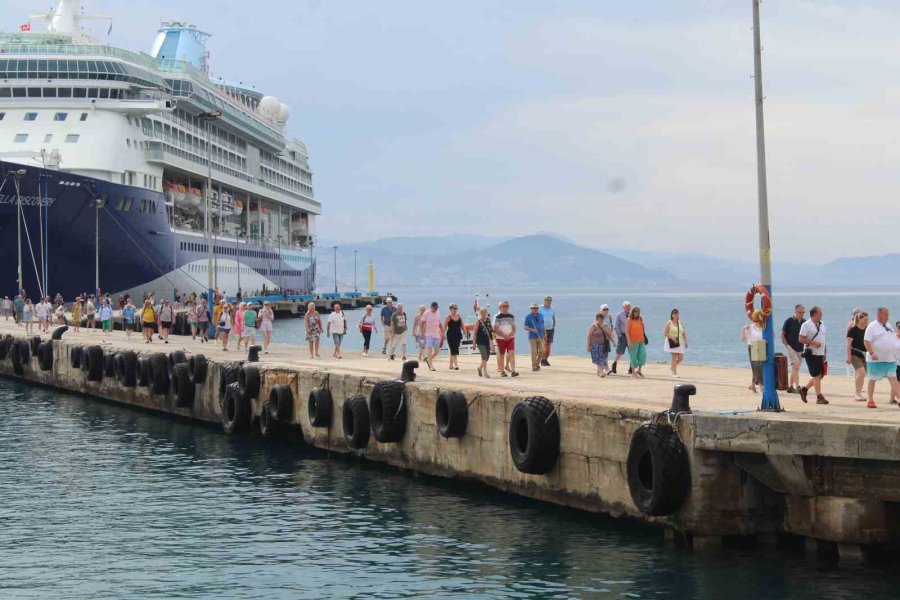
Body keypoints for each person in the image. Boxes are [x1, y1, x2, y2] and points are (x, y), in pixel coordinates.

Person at [863, 307, 899, 409]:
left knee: (894, 379)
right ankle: (870, 399)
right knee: (872, 379)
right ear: (879, 315)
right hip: (875, 360)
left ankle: (899, 399)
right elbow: (866, 341)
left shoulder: (888, 325)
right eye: (886, 315)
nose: (888, 317)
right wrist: (871, 352)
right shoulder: (872, 326)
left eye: (888, 315)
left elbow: (892, 338)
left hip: (890, 359)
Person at [798, 306, 828, 404]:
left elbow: (823, 338)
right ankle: (819, 397)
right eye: (820, 313)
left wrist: (824, 352)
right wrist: (814, 343)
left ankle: (804, 390)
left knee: (820, 375)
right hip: (811, 353)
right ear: (814, 314)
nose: (821, 315)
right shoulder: (806, 325)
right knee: (816, 375)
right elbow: (801, 339)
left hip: (820, 353)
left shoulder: (822, 324)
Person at [780, 305, 806, 394]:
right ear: (795, 312)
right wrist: (786, 344)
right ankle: (798, 386)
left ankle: (790, 387)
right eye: (800, 312)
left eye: (803, 312)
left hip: (801, 347)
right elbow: (782, 334)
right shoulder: (789, 321)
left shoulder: (804, 322)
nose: (801, 314)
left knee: (795, 368)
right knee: (796, 365)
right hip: (790, 346)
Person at [845, 311, 869, 401]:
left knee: (863, 375)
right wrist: (848, 356)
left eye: (867, 319)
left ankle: (859, 393)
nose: (867, 321)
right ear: (860, 319)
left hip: (866, 354)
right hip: (855, 353)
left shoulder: (867, 329)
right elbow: (848, 344)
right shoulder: (853, 330)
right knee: (861, 372)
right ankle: (857, 393)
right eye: (865, 319)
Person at [741, 310, 766, 393]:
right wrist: (743, 330)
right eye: (760, 315)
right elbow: (743, 338)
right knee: (758, 367)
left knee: (757, 368)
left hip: (762, 346)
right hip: (753, 347)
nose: (761, 317)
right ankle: (762, 386)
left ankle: (752, 386)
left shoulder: (764, 327)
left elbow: (771, 336)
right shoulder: (750, 327)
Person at [493, 301, 518, 377]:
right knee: (501, 355)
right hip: (500, 338)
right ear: (500, 307)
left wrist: (511, 335)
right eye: (503, 306)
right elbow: (495, 329)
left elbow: (514, 328)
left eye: (507, 306)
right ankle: (502, 371)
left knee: (512, 353)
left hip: (510, 338)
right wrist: (504, 336)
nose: (505, 307)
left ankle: (513, 371)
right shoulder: (497, 317)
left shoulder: (511, 316)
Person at [586, 311, 614, 377]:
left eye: (602, 319)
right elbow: (589, 336)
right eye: (599, 319)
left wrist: (613, 341)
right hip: (595, 345)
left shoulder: (605, 325)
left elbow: (609, 334)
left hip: (603, 345)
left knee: (603, 358)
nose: (601, 320)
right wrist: (588, 346)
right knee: (598, 359)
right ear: (596, 319)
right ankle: (601, 372)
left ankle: (599, 372)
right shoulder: (593, 326)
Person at [663, 309, 688, 378]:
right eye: (674, 313)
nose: (676, 315)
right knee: (674, 357)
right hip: (671, 342)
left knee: (681, 358)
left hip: (680, 342)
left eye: (677, 313)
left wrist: (686, 341)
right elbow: (664, 333)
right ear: (672, 315)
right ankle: (674, 372)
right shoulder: (669, 322)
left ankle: (672, 367)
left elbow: (684, 333)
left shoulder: (680, 322)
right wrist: (671, 337)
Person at [421, 302, 444, 371]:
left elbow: (440, 324)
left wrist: (443, 332)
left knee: (437, 351)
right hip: (428, 334)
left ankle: (429, 359)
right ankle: (431, 366)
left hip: (436, 334)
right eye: (435, 308)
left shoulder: (438, 313)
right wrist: (422, 332)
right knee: (429, 349)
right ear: (431, 307)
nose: (436, 309)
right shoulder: (426, 313)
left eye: (437, 308)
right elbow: (422, 323)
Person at [611, 301, 632, 375]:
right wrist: (619, 335)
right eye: (627, 307)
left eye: (629, 307)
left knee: (632, 352)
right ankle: (614, 364)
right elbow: (616, 326)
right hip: (622, 336)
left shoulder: (632, 315)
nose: (628, 308)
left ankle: (631, 368)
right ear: (623, 307)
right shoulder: (619, 315)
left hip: (630, 336)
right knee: (619, 352)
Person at [524, 302, 546, 372]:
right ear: (531, 309)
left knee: (542, 350)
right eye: (533, 308)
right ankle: (534, 366)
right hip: (532, 337)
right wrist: (532, 330)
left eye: (536, 308)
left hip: (540, 336)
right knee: (534, 351)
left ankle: (536, 363)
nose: (535, 309)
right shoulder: (528, 316)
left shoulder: (541, 315)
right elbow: (525, 327)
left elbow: (542, 325)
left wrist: (545, 334)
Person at [626, 306, 647, 379]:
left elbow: (643, 328)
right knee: (633, 357)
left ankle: (639, 370)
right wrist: (629, 341)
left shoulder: (640, 318)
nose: (636, 313)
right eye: (635, 311)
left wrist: (644, 337)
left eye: (637, 312)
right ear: (632, 312)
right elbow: (626, 331)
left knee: (643, 354)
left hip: (641, 340)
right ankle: (633, 372)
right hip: (633, 341)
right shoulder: (629, 320)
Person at [443, 303, 466, 370]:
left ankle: (450, 365)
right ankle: (456, 364)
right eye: (454, 308)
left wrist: (464, 331)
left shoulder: (458, 316)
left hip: (458, 334)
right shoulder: (448, 317)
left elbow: (462, 325)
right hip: (450, 335)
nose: (455, 310)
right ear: (451, 309)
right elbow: (444, 327)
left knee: (455, 348)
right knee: (453, 349)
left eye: (456, 308)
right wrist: (443, 335)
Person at [473, 307, 493, 377]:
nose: (483, 314)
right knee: (484, 356)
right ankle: (485, 373)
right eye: (482, 313)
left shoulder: (488, 320)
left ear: (486, 313)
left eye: (484, 312)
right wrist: (474, 344)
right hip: (480, 342)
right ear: (480, 313)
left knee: (487, 357)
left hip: (487, 341)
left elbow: (491, 331)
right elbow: (475, 333)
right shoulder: (478, 322)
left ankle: (480, 368)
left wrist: (493, 340)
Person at [538, 296, 556, 366]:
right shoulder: (539, 308)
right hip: (542, 329)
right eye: (547, 300)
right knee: (543, 344)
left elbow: (553, 318)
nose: (548, 301)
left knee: (549, 344)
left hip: (551, 329)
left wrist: (553, 325)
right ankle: (542, 359)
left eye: (550, 300)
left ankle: (545, 359)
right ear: (544, 300)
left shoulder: (552, 309)